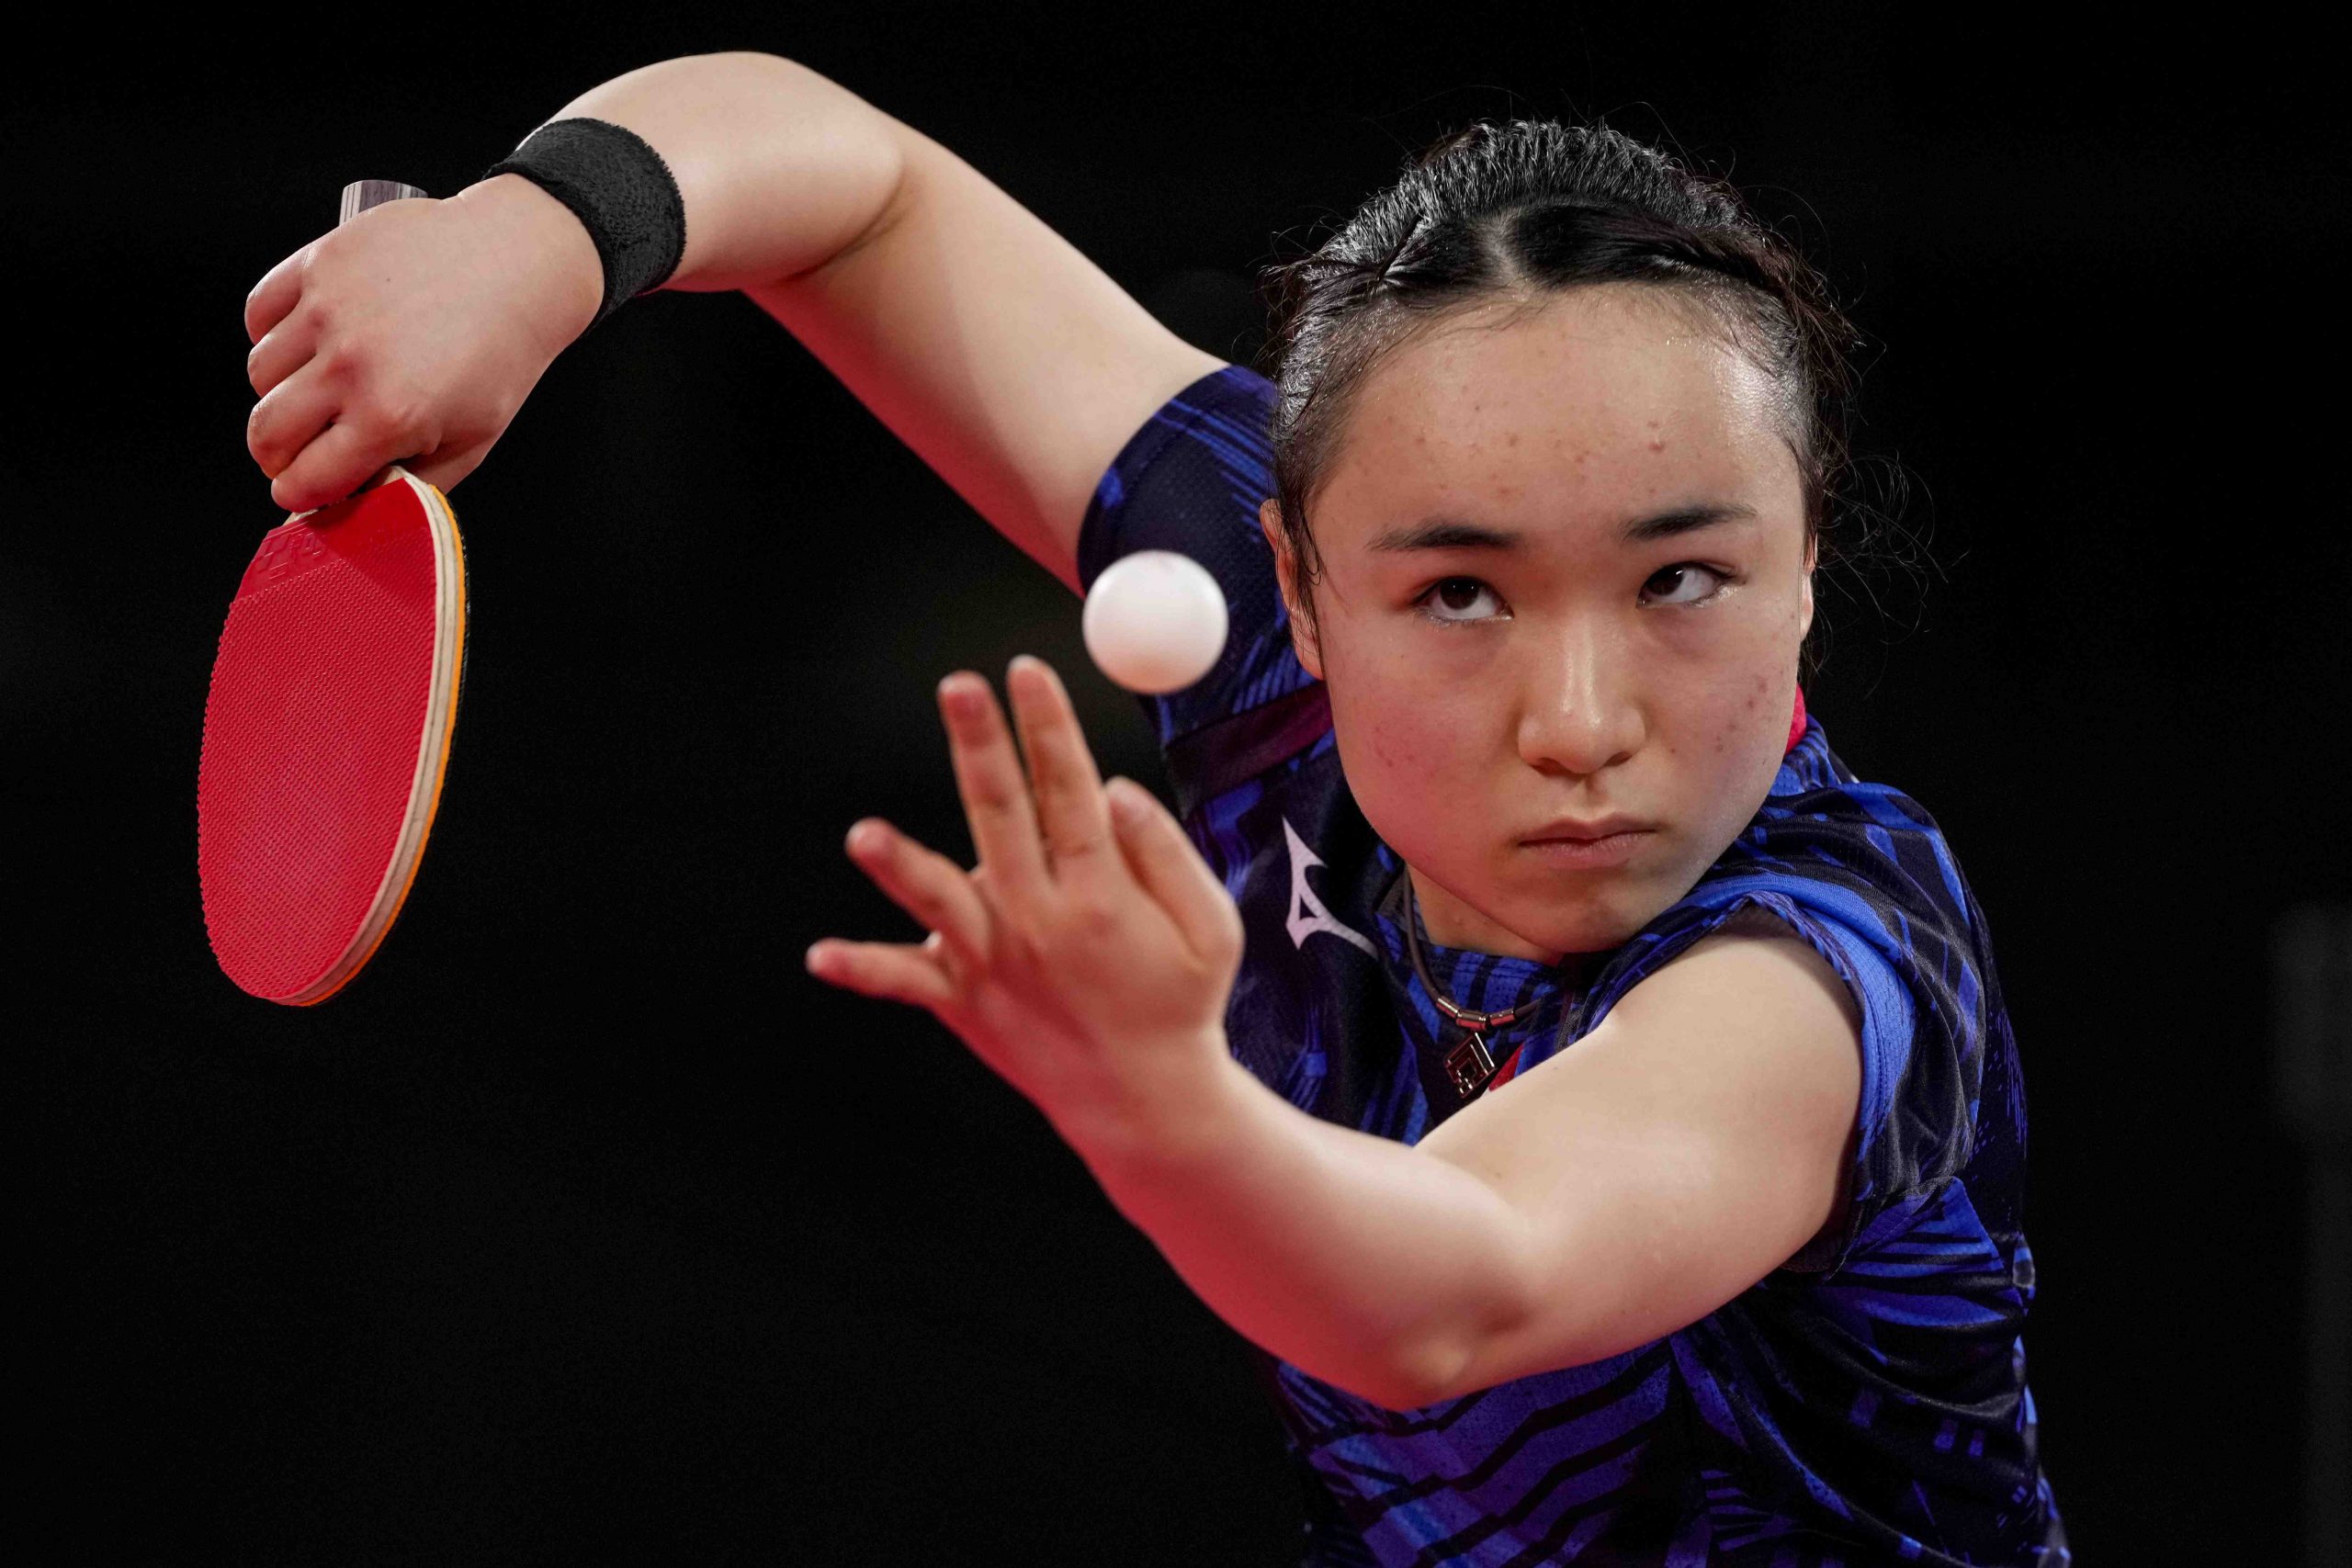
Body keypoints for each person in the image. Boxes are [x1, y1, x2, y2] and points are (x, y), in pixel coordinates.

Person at [243, 51, 2068, 1566]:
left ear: (1805, 564)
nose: (1579, 722)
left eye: (1680, 581)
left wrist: (1164, 1103)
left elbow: (1453, 1289)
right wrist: (543, 232)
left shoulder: (1830, 960)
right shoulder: (1261, 628)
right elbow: (856, 185)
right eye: (1456, 596)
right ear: (1294, 576)